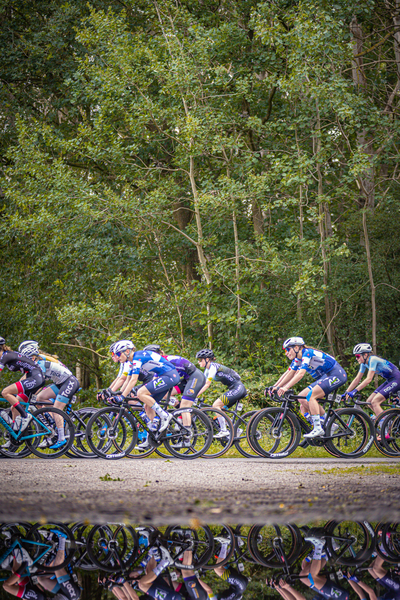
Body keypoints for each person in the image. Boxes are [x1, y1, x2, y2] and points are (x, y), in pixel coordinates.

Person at [272, 337, 347, 438]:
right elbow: (290, 373)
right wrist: (275, 387)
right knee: (301, 397)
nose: (286, 353)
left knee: (311, 396)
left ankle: (318, 428)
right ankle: (329, 423)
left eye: (287, 349)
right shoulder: (298, 359)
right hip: (326, 376)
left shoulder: (307, 353)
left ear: (297, 347)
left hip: (336, 374)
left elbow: (300, 374)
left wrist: (286, 387)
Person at [17, 341, 80, 449]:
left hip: (70, 382)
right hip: (60, 383)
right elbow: (25, 380)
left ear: (32, 357)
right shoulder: (36, 362)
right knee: (40, 398)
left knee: (57, 409)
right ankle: (53, 424)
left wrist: (25, 394)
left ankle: (61, 438)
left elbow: (38, 383)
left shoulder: (40, 364)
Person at [143, 345, 206, 447]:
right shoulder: (158, 363)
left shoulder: (166, 361)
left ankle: (186, 439)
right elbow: (154, 382)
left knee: (185, 407)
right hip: (185, 379)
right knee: (165, 395)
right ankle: (178, 412)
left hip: (195, 377)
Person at [114, 341, 180, 434]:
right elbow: (128, 380)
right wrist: (120, 393)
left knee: (140, 392)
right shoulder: (132, 361)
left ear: (127, 351)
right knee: (147, 406)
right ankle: (152, 436)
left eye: (118, 354)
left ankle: (164, 415)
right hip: (163, 376)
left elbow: (134, 380)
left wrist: (122, 397)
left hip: (169, 375)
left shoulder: (137, 357)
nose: (117, 357)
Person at [195, 349, 247, 439]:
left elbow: (207, 384)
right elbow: (202, 383)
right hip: (234, 388)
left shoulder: (213, 367)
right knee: (220, 410)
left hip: (238, 388)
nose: (198, 362)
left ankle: (224, 430)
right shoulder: (207, 370)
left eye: (200, 360)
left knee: (216, 405)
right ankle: (236, 429)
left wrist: (195, 395)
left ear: (207, 359)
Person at [0, 337, 45, 435]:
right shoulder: (7, 355)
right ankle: (15, 434)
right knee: (14, 408)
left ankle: (25, 416)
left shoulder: (5, 356)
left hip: (35, 377)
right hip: (32, 377)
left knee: (5, 392)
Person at [344, 344, 400, 417]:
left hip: (397, 380)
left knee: (375, 402)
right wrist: (346, 392)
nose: (356, 359)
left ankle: (385, 426)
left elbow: (368, 379)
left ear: (365, 355)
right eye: (356, 356)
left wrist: (355, 390)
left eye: (358, 356)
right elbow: (357, 379)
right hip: (390, 380)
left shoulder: (373, 359)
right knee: (369, 402)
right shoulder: (363, 364)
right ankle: (383, 422)